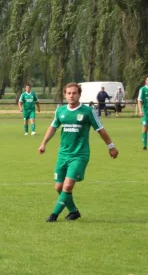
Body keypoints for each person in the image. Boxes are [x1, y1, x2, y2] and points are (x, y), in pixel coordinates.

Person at [38, 82, 119, 222]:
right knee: (58, 187)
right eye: (69, 93)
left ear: (79, 94)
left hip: (79, 155)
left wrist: (111, 147)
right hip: (63, 154)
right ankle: (74, 212)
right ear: (65, 95)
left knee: (68, 185)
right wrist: (43, 143)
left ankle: (53, 215)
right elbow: (53, 128)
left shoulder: (88, 112)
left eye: (74, 93)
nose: (71, 95)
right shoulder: (60, 111)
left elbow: (101, 130)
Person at [138, 74, 148, 150]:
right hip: (145, 112)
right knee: (145, 127)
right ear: (145, 81)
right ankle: (144, 146)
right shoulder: (142, 89)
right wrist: (140, 111)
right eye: (147, 80)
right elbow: (139, 101)